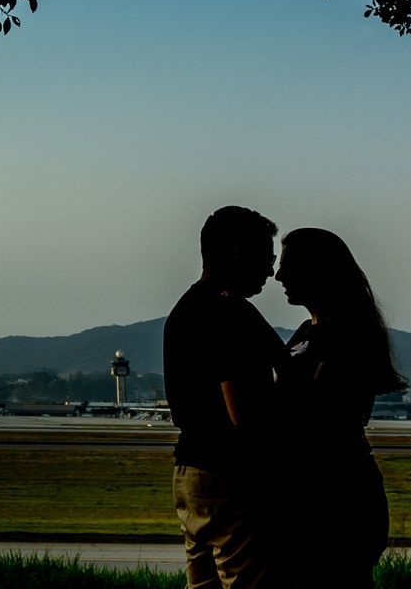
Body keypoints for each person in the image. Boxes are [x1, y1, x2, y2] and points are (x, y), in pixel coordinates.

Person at [164, 205, 292, 589]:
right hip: (231, 476)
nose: (271, 272)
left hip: (191, 472)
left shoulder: (186, 309)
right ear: (238, 253)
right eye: (267, 258)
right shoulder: (230, 314)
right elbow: (245, 415)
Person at [274, 227, 408, 588]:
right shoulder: (307, 330)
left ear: (317, 272)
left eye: (288, 266)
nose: (278, 276)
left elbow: (315, 412)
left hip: (336, 497)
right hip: (316, 491)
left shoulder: (347, 335)